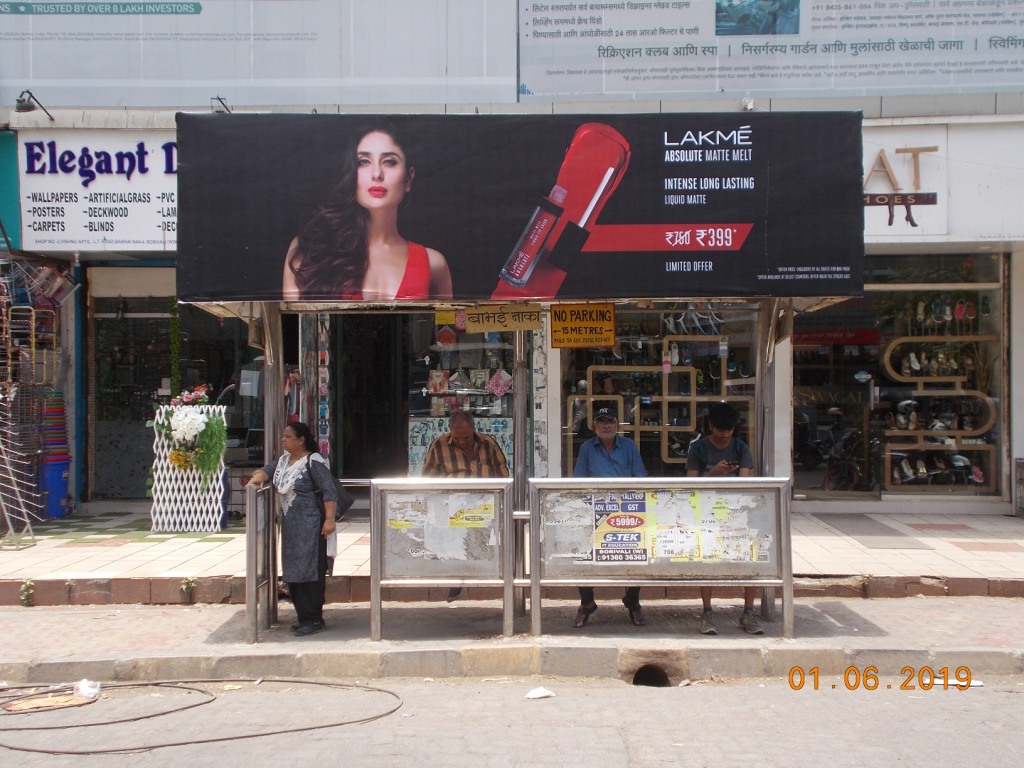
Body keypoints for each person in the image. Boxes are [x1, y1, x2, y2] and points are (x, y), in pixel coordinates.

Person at [282, 121, 453, 301]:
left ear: (408, 179)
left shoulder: (433, 264)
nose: (377, 173)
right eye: (364, 162)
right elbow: (293, 325)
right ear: (351, 172)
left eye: (389, 162)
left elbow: (447, 326)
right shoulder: (310, 249)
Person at [247, 422, 338, 636]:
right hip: (290, 527)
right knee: (293, 571)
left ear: (301, 440)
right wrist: (257, 477)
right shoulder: (283, 461)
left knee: (311, 571)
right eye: (283, 436)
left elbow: (329, 492)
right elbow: (267, 471)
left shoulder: (313, 462)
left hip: (312, 527)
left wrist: (330, 520)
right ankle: (302, 616)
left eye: (288, 436)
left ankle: (313, 618)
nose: (283, 440)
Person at [686, 402, 764, 635]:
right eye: (720, 429)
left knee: (750, 559)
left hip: (737, 511)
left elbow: (745, 482)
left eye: (728, 430)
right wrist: (713, 474)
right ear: (711, 426)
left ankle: (748, 611)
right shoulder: (698, 448)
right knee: (707, 560)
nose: (724, 434)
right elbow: (691, 483)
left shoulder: (741, 448)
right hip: (707, 511)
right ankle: (707, 610)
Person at [421, 409, 509, 601]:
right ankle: (457, 583)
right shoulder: (439, 446)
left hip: (483, 506)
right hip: (453, 506)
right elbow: (428, 479)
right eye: (458, 438)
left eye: (466, 438)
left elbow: (503, 474)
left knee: (480, 545)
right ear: (450, 431)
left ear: (473, 430)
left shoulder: (488, 444)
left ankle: (481, 580)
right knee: (455, 546)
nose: (462, 442)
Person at [572, 404, 647, 628]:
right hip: (595, 509)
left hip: (626, 509)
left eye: (610, 422)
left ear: (617, 425)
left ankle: (632, 601)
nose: (606, 426)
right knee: (581, 551)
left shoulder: (629, 446)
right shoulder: (587, 448)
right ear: (595, 425)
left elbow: (641, 478)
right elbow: (579, 482)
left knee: (637, 553)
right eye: (602, 422)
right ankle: (587, 603)